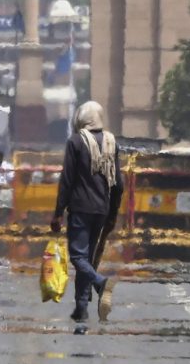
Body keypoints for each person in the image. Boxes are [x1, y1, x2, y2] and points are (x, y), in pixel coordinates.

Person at [50, 101, 124, 322]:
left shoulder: (76, 142)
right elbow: (118, 184)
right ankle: (81, 308)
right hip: (101, 209)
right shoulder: (112, 142)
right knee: (87, 259)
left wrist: (57, 213)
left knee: (78, 257)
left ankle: (101, 283)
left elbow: (67, 180)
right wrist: (112, 214)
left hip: (81, 208)